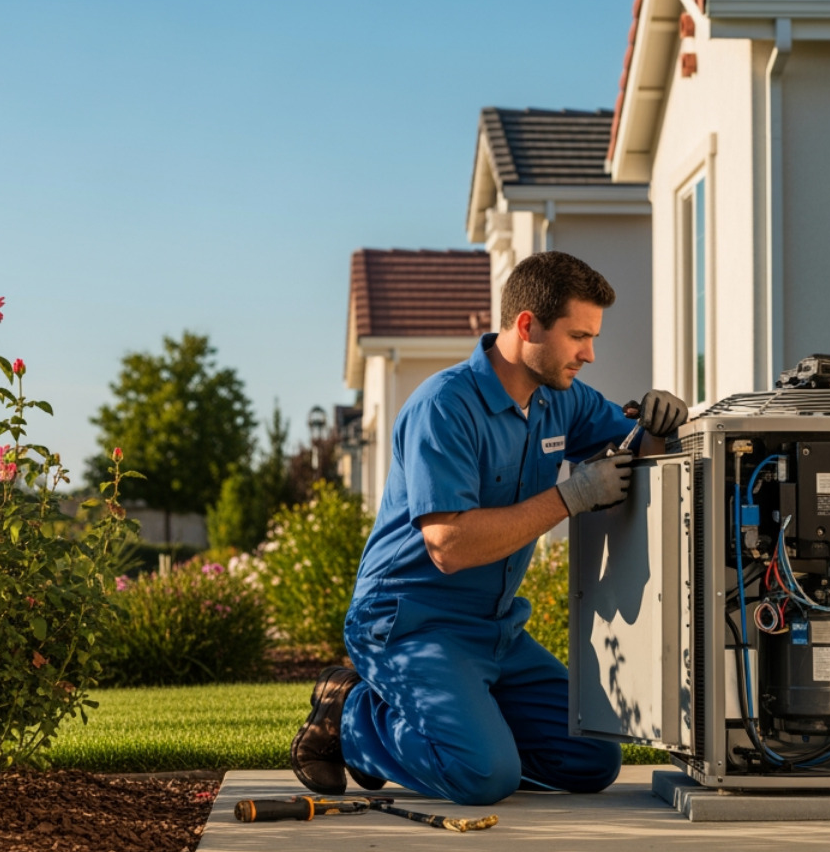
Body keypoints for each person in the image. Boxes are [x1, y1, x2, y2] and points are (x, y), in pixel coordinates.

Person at [289, 251, 688, 805]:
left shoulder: (560, 400)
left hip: (495, 630)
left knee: (593, 759)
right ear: (527, 326)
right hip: (409, 625)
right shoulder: (445, 407)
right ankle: (350, 713)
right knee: (483, 776)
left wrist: (659, 427)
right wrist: (570, 497)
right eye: (578, 336)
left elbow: (634, 453)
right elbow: (448, 547)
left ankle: (467, 731)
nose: (590, 354)